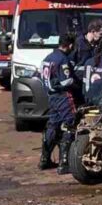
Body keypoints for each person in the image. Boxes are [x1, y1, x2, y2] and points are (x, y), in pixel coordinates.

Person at [39, 34, 78, 175]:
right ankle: (64, 162)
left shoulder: (47, 58)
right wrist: (78, 84)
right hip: (62, 96)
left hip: (51, 96)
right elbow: (67, 81)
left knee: (52, 125)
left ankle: (44, 159)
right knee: (70, 124)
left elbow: (41, 77)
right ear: (70, 45)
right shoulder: (62, 59)